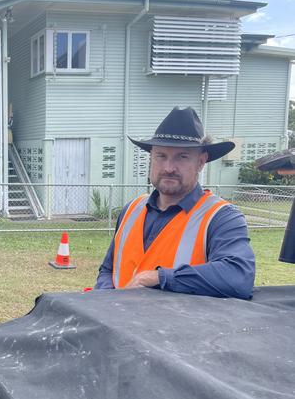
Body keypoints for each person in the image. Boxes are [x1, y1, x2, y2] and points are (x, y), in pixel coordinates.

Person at [95, 107, 255, 299]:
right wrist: (104, 300)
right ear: (151, 157)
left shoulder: (221, 217)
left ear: (201, 162)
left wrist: (157, 277)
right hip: (119, 323)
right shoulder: (131, 209)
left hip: (182, 327)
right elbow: (108, 269)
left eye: (182, 157)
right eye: (161, 156)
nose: (169, 168)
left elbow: (238, 277)